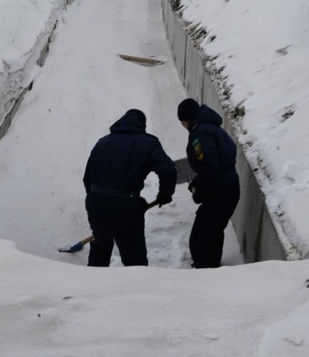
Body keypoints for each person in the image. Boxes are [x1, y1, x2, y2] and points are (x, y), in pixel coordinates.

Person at [83, 109, 176, 267]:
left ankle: (93, 282)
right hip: (126, 207)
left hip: (96, 204)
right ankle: (137, 283)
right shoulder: (148, 143)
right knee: (134, 258)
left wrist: (97, 199)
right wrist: (165, 194)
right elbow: (168, 171)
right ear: (142, 125)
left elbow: (87, 177)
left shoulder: (102, 142)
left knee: (100, 249)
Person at [177, 98, 240, 269]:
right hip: (228, 186)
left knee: (201, 238)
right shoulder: (211, 128)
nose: (182, 125)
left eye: (182, 121)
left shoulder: (201, 133)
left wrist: (200, 192)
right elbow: (218, 163)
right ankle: (211, 266)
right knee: (213, 232)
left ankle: (204, 272)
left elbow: (209, 167)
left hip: (220, 191)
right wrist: (199, 182)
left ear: (187, 119)